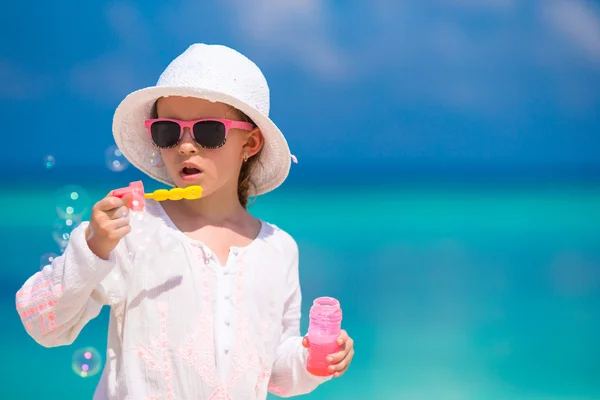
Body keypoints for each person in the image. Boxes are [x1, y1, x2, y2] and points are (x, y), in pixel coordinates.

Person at [15, 43, 355, 399]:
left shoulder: (278, 249)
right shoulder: (133, 229)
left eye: (208, 131)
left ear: (250, 142)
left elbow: (277, 373)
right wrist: (94, 247)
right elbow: (44, 325)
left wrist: (315, 356)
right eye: (168, 131)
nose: (185, 146)